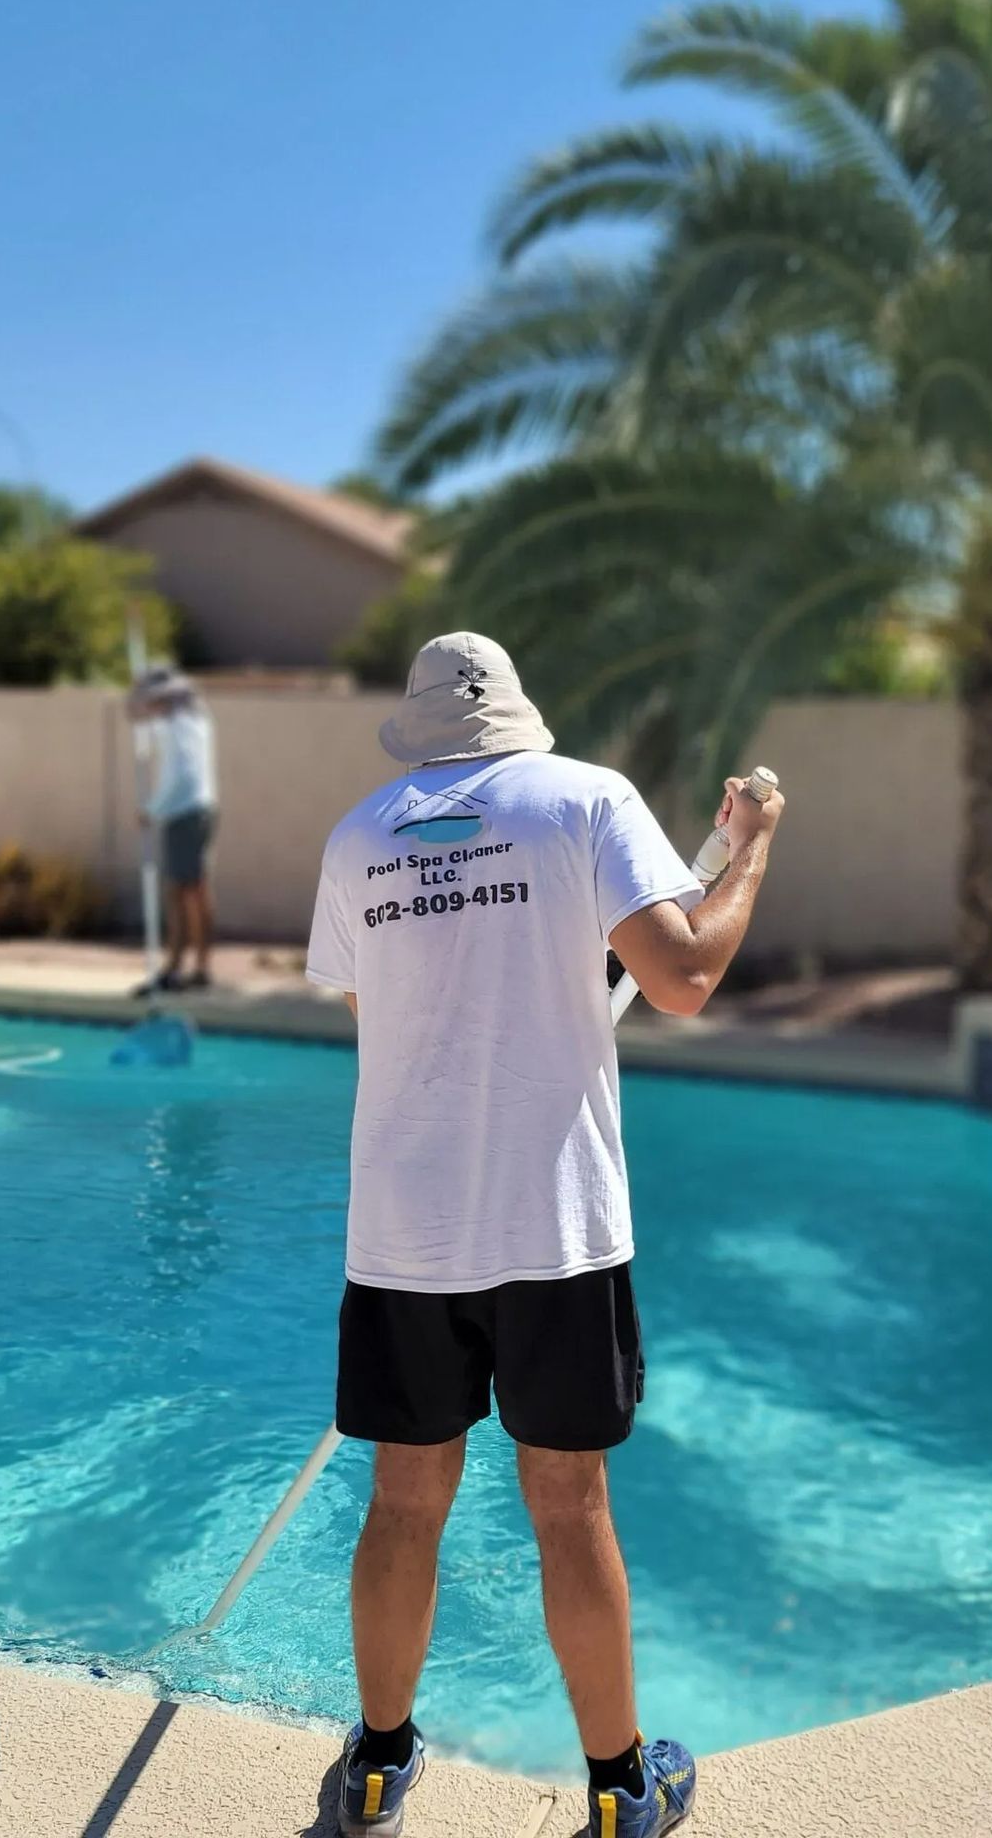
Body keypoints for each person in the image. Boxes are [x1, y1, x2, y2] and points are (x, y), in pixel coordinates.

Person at [305, 631, 784, 1837]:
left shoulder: (358, 839)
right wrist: (750, 854)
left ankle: (378, 1768)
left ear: (418, 725)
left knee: (403, 1499)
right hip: (554, 1227)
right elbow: (680, 978)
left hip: (406, 1234)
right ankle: (622, 1790)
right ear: (515, 713)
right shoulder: (588, 802)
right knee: (570, 1505)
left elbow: (377, 1008)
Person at [130, 665, 218, 992]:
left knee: (182, 891)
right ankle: (197, 966)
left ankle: (178, 967)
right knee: (194, 889)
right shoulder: (195, 721)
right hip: (199, 809)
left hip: (185, 813)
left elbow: (180, 776)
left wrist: (152, 810)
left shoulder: (177, 726)